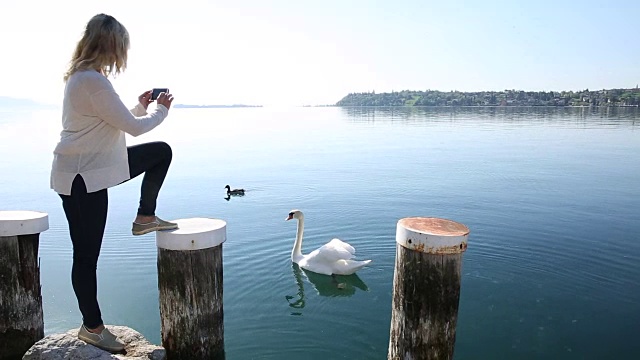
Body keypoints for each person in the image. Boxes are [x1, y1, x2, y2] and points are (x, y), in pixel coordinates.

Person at [50, 13, 177, 353]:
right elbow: (134, 129)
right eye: (122, 46)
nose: (123, 53)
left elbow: (118, 121)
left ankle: (145, 217)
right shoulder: (92, 80)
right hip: (83, 178)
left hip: (91, 170)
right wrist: (161, 110)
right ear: (112, 44)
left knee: (159, 153)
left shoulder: (87, 77)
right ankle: (92, 328)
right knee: (86, 256)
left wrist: (141, 104)